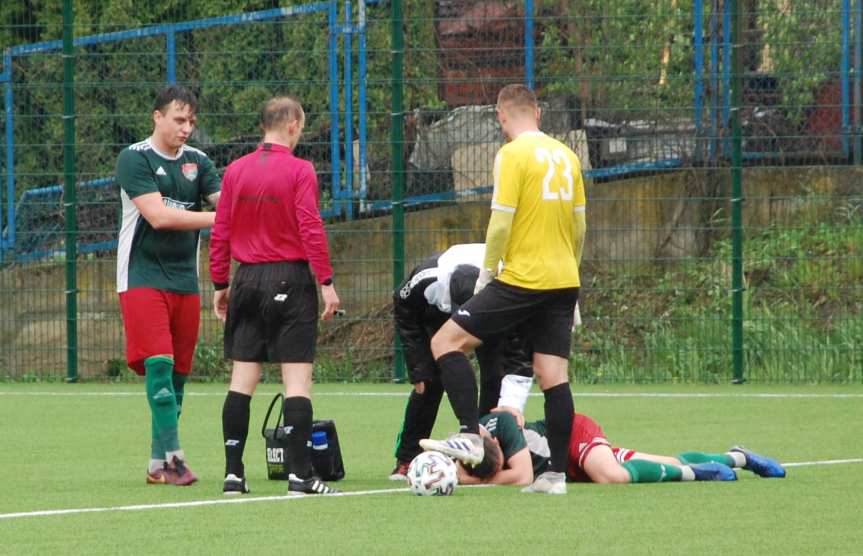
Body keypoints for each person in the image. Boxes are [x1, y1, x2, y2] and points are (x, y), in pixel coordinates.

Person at [428, 84, 587, 494]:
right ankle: (555, 475)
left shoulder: (512, 155)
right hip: (563, 278)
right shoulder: (568, 156)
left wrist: (486, 277)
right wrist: (575, 284)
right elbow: (580, 226)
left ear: (502, 117)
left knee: (446, 342)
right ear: (537, 112)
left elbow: (500, 224)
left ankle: (470, 433)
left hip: (522, 278)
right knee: (554, 376)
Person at [210, 96, 341, 496]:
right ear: (293, 124)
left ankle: (234, 474)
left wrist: (220, 284)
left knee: (242, 379)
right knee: (297, 378)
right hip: (290, 278)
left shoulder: (235, 171)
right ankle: (301, 476)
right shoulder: (300, 170)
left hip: (246, 279)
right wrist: (326, 280)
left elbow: (221, 230)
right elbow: (309, 225)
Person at [115, 85, 221, 486]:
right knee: (158, 368)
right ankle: (175, 460)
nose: (186, 128)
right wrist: (222, 220)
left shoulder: (198, 161)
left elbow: (223, 198)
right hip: (142, 277)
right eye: (179, 119)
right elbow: (158, 216)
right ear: (156, 117)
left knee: (177, 376)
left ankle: (157, 465)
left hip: (184, 280)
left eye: (192, 120)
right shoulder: (134, 158)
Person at [389, 243, 533, 480]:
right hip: (434, 313)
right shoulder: (427, 279)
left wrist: (512, 406)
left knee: (494, 375)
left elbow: (518, 353)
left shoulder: (509, 288)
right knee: (429, 383)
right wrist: (418, 366)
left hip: (492, 310)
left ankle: (485, 454)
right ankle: (407, 458)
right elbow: (402, 307)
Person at [430, 409, 786, 487]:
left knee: (611, 476)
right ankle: (739, 456)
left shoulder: (501, 425)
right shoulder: (473, 453)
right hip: (567, 466)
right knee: (660, 461)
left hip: (571, 434)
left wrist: (470, 483)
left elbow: (521, 474)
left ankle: (693, 474)